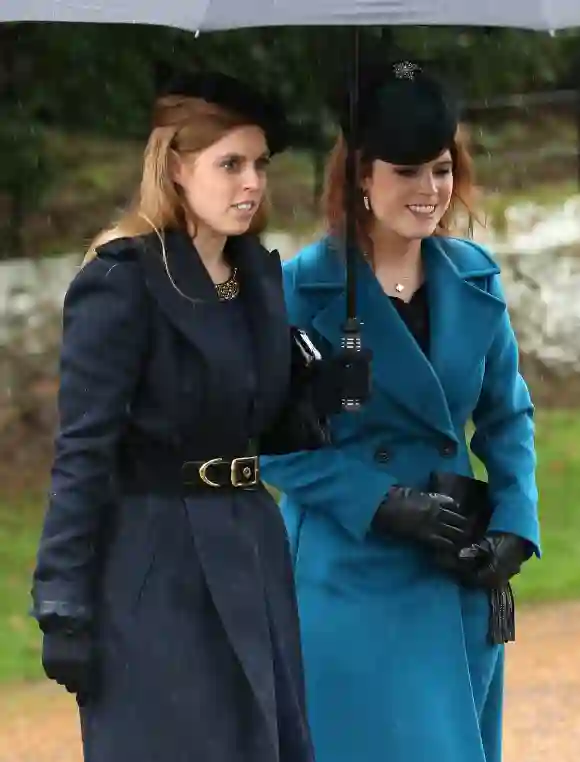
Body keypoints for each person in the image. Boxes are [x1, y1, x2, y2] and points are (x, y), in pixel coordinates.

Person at [30, 71, 326, 762]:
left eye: (259, 165)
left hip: (251, 546)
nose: (250, 183)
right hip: (155, 563)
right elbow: (83, 449)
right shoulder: (120, 280)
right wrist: (62, 599)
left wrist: (319, 390)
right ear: (175, 168)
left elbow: (263, 426)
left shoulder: (255, 277)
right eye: (229, 164)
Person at [260, 60, 540, 762]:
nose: (430, 190)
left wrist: (514, 526)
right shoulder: (297, 290)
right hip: (349, 576)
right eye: (407, 171)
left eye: (441, 169)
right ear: (360, 173)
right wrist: (380, 504)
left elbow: (507, 418)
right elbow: (270, 442)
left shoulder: (474, 275)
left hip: (458, 573)